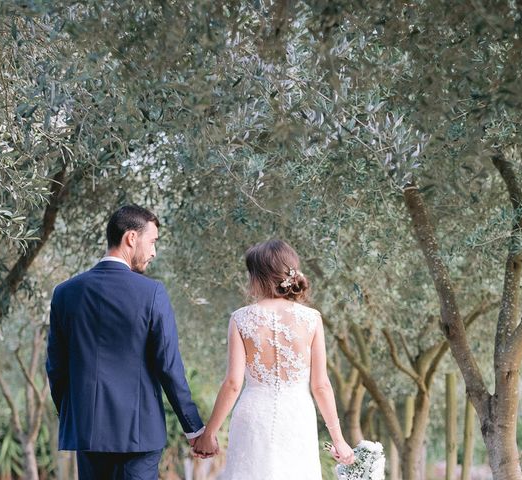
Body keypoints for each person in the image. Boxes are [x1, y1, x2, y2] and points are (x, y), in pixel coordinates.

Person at [46, 205, 207, 480]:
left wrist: (77, 415)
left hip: (89, 432)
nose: (154, 252)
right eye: (152, 241)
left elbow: (56, 368)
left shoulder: (65, 293)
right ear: (131, 238)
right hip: (139, 432)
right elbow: (168, 367)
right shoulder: (152, 293)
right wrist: (195, 428)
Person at [193, 239, 355, 479]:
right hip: (297, 415)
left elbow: (233, 384)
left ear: (258, 277)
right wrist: (339, 440)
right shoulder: (311, 319)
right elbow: (320, 385)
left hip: (253, 415)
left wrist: (209, 434)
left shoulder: (241, 319)